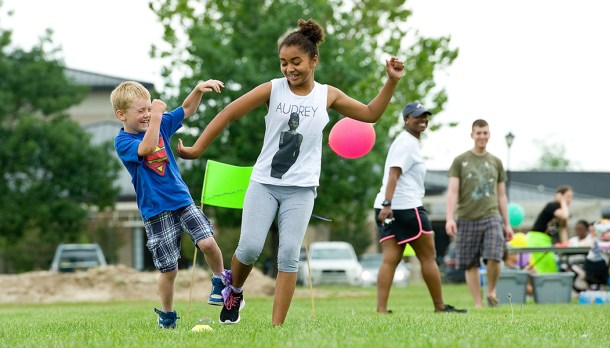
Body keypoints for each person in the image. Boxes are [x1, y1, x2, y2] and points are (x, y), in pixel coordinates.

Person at [177, 18, 405, 326]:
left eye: (296, 61)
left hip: (302, 189)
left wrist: (390, 81)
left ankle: (276, 328)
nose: (289, 69)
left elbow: (370, 114)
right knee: (250, 247)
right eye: (283, 63)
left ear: (314, 60)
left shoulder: (328, 95)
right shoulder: (273, 89)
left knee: (288, 256)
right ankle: (236, 290)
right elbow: (229, 113)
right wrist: (196, 149)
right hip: (264, 184)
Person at [111, 80, 227, 329]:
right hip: (155, 211)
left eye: (148, 109)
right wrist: (156, 117)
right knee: (169, 269)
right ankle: (167, 314)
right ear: (121, 115)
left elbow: (186, 110)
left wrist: (197, 90)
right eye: (140, 111)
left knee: (206, 241)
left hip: (181, 200)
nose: (147, 115)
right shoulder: (123, 142)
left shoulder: (159, 122)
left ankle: (220, 280)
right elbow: (147, 147)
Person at [373, 102, 466, 314]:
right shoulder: (407, 143)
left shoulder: (406, 142)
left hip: (386, 206)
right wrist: (388, 205)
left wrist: (385, 205)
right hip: (405, 207)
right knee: (428, 256)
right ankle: (440, 307)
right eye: (417, 116)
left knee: (391, 258)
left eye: (425, 116)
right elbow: (394, 174)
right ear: (406, 119)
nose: (422, 119)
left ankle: (381, 309)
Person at [445, 119, 514, 308]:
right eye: (478, 133)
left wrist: (507, 223)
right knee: (470, 263)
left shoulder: (496, 162)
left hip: (491, 216)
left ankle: (491, 291)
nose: (482, 136)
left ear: (489, 135)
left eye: (485, 133)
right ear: (472, 135)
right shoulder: (460, 161)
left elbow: (501, 195)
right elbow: (452, 191)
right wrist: (450, 218)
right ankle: (478, 303)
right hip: (466, 217)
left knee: (494, 255)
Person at [527, 185, 573, 273]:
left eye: (571, 197)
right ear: (560, 196)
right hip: (537, 239)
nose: (569, 200)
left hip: (546, 240)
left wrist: (566, 245)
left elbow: (563, 229)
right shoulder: (552, 206)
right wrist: (562, 201)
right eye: (568, 196)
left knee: (552, 267)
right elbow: (564, 215)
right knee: (541, 268)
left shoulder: (562, 211)